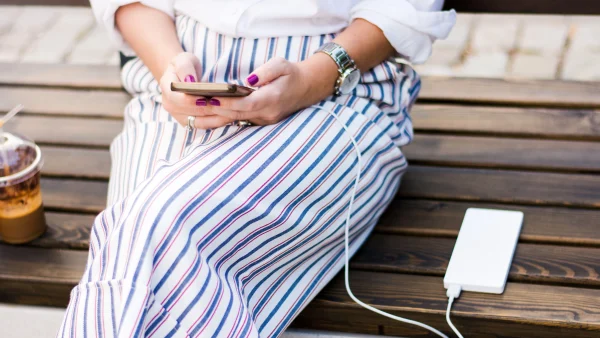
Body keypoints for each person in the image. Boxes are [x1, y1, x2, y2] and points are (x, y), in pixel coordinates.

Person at [58, 1, 455, 337]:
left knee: (153, 227)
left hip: (334, 90)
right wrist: (171, 70)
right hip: (179, 87)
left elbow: (402, 8)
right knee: (133, 240)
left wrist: (309, 80)